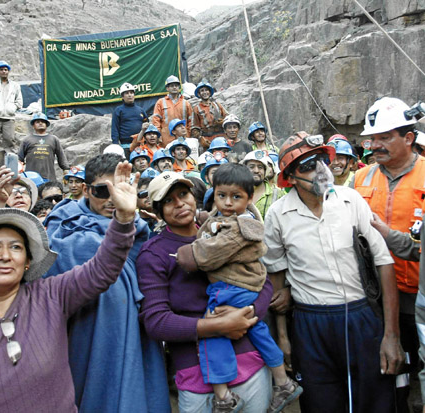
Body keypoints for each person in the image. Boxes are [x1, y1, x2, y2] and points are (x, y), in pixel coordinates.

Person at [0, 161, 145, 412]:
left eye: (16, 247)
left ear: (28, 262)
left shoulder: (52, 295)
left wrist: (125, 217)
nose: (6, 256)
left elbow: (102, 269)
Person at [263, 132, 403, 411]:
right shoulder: (278, 214)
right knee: (321, 402)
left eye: (320, 161)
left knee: (375, 401)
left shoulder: (351, 200)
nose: (320, 170)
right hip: (310, 324)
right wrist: (283, 337)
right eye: (307, 166)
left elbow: (383, 262)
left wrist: (392, 336)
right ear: (290, 177)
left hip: (362, 318)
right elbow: (277, 277)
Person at [136, 171, 274, 413]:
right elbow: (155, 321)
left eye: (183, 194)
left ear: (194, 197)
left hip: (248, 357)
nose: (179, 203)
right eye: (168, 201)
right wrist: (214, 326)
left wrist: (248, 313)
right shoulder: (153, 253)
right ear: (157, 212)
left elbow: (263, 281)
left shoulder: (228, 228)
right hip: (196, 369)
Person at [43, 153, 170, 412]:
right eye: (103, 190)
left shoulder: (139, 226)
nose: (112, 199)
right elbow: (59, 267)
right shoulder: (63, 222)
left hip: (133, 326)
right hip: (87, 324)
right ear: (86, 190)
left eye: (120, 189)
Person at [175, 164, 301, 412]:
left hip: (230, 288)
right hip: (245, 287)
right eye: (221, 196)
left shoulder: (240, 227)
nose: (227, 203)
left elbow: (204, 256)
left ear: (250, 197)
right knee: (259, 330)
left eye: (236, 197)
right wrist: (205, 218)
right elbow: (213, 221)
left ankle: (223, 396)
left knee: (213, 331)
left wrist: (186, 253)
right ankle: (282, 381)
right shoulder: (240, 218)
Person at [353, 97, 425, 410]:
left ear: (408, 138)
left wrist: (386, 234)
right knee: (385, 370)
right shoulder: (361, 177)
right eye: (373, 138)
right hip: (373, 296)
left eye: (385, 137)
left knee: (417, 368)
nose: (375, 145)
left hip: (417, 298)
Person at [18, 112, 69, 182]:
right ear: (33, 125)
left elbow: (61, 156)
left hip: (49, 178)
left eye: (43, 122)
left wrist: (66, 170)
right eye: (37, 122)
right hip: (31, 179)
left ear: (46, 124)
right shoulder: (26, 140)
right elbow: (19, 160)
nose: (40, 123)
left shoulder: (53, 139)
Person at [241, 150, 285, 219]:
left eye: (260, 167)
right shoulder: (237, 193)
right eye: (251, 167)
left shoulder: (278, 194)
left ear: (265, 171)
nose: (256, 170)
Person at [152, 75, 193, 146]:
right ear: (167, 88)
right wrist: (158, 136)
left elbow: (191, 121)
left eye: (176, 85)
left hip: (183, 138)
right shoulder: (161, 102)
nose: (174, 87)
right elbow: (156, 121)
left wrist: (188, 134)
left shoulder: (185, 103)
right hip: (166, 139)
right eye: (172, 86)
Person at [111, 82, 148, 159]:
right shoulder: (119, 110)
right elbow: (115, 128)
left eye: (131, 92)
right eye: (127, 93)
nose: (130, 95)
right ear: (122, 96)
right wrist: (116, 145)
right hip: (125, 147)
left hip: (140, 145)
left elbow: (147, 126)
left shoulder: (140, 110)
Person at [192, 81, 228, 150]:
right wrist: (200, 138)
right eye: (202, 91)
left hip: (221, 137)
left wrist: (223, 121)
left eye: (206, 90)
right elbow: (194, 128)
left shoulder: (217, 105)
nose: (205, 92)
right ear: (199, 94)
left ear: (210, 92)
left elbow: (228, 118)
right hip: (207, 139)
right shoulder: (197, 109)